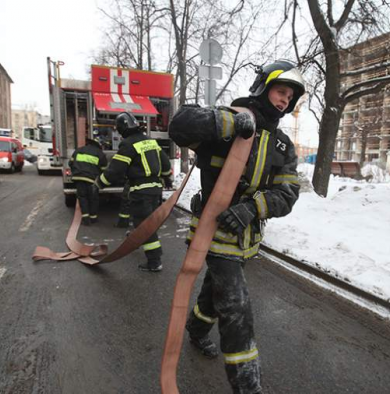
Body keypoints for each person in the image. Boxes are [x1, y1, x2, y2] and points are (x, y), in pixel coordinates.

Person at [168, 60, 305, 394]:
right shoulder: (229, 121)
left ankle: (197, 330)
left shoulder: (283, 145)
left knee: (214, 295)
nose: (285, 100)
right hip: (211, 236)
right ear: (263, 87)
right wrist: (228, 121)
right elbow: (179, 126)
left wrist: (251, 209)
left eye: (290, 96)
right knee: (237, 311)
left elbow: (287, 194)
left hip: (246, 240)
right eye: (280, 91)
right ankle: (248, 386)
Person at [95, 112, 172, 272]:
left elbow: (115, 170)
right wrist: (167, 178)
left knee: (144, 225)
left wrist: (98, 184)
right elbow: (165, 164)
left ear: (122, 129)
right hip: (155, 191)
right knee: (148, 222)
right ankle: (136, 240)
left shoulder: (128, 144)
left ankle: (154, 261)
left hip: (140, 191)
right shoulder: (151, 142)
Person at [69, 137, 107, 225]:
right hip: (92, 180)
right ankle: (93, 218)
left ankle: (86, 219)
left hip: (79, 178)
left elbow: (70, 163)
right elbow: (103, 169)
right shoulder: (99, 153)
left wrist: (76, 171)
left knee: (82, 198)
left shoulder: (79, 150)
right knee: (93, 199)